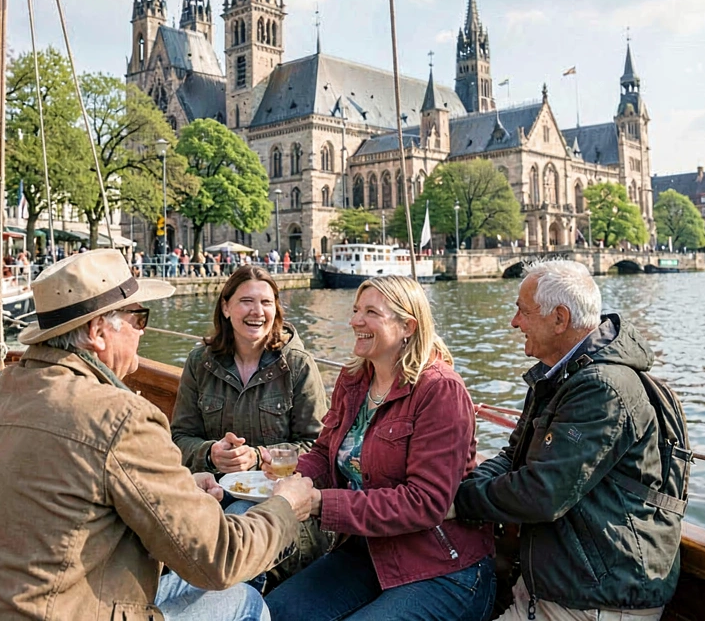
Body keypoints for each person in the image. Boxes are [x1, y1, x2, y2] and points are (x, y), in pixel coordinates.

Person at [0, 249, 320, 620]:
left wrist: (179, 486)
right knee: (243, 600)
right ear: (98, 330)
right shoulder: (121, 415)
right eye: (138, 319)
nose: (142, 334)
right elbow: (221, 558)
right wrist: (286, 506)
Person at [453, 260, 680, 620]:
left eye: (522, 312)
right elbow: (514, 457)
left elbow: (543, 493)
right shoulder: (559, 375)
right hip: (561, 583)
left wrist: (457, 502)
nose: (515, 322)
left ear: (559, 319)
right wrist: (464, 487)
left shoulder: (600, 388)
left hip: (597, 599)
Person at [265, 276, 495, 621]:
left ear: (408, 326)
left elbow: (427, 503)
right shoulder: (354, 377)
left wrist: (319, 503)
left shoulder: (440, 390)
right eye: (356, 310)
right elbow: (327, 453)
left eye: (371, 312)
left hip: (439, 565)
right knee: (272, 613)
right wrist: (294, 476)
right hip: (367, 552)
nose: (355, 320)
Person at [171, 264, 328, 587]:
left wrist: (257, 457)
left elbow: (317, 448)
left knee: (232, 530)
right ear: (226, 307)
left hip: (285, 507)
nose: (257, 311)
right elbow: (179, 439)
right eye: (246, 301)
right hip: (212, 495)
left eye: (266, 303)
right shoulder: (200, 363)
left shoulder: (296, 366)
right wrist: (210, 454)